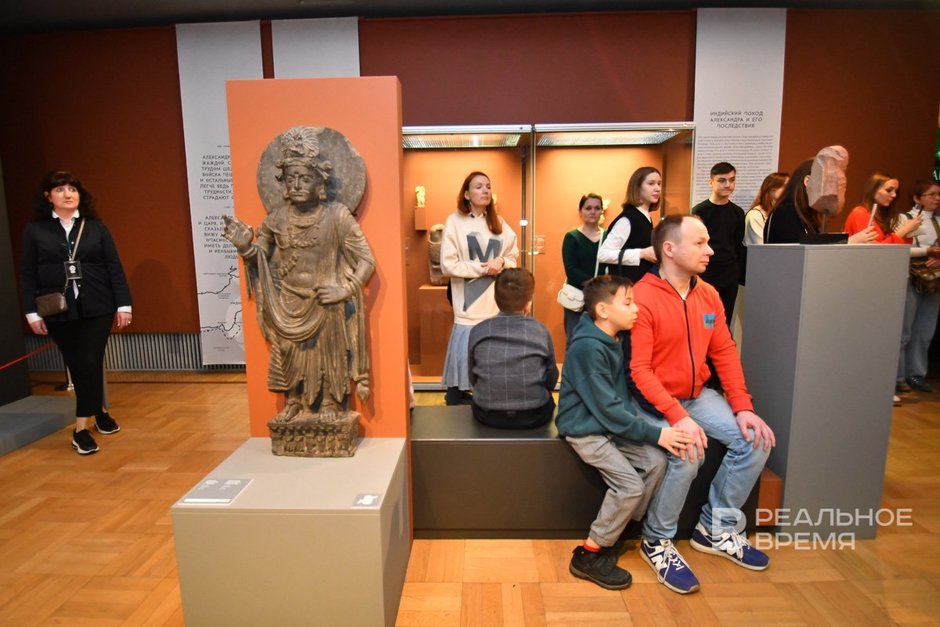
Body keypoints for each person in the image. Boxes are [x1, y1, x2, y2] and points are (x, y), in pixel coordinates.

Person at [630, 214, 776, 595]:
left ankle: (715, 528)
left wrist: (742, 406)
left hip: (697, 396)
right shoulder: (642, 296)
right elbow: (640, 371)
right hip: (655, 401)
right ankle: (656, 540)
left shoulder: (708, 295)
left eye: (708, 242)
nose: (710, 250)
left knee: (755, 440)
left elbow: (724, 351)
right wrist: (677, 417)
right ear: (669, 249)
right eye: (700, 243)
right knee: (689, 450)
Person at [223, 127, 375, 423]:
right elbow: (260, 257)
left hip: (326, 303)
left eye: (305, 178)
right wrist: (245, 248)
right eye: (291, 178)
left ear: (320, 182)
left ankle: (331, 400)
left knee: (328, 352)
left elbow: (367, 260)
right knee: (288, 351)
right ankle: (293, 400)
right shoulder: (277, 218)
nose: (296, 185)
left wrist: (346, 289)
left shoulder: (338, 216)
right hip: (288, 303)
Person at [556, 274, 691, 591]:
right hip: (585, 429)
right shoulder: (588, 347)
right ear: (603, 310)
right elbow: (607, 408)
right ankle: (589, 553)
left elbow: (617, 404)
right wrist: (657, 434)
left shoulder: (612, 339)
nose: (636, 309)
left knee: (656, 462)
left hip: (606, 425)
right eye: (628, 303)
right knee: (630, 487)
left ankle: (617, 530)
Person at [20, 171, 132, 455]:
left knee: (89, 360)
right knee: (78, 363)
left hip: (98, 306)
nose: (68, 194)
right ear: (48, 196)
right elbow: (28, 273)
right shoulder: (36, 230)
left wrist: (124, 304)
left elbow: (114, 267)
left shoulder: (95, 227)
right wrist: (31, 313)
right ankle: (101, 413)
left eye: (72, 189)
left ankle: (80, 429)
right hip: (58, 308)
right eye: (60, 190)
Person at [440, 171, 519, 406]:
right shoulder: (454, 221)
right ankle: (457, 403)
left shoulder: (499, 223)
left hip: (494, 305)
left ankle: (489, 403)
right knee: (462, 363)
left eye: (488, 186)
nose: (485, 190)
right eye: (478, 186)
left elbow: (513, 256)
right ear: (466, 194)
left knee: (491, 360)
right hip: (467, 305)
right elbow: (447, 264)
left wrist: (501, 261)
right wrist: (483, 269)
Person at [467, 268, 558, 428]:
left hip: (487, 412)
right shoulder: (540, 331)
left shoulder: (478, 331)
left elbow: (472, 378)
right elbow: (551, 379)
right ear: (528, 303)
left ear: (496, 299)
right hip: (534, 414)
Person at [895, 179, 940, 395]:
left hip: (934, 281)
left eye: (938, 194)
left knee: (925, 330)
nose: (937, 198)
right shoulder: (904, 219)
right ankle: (898, 376)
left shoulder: (938, 221)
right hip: (911, 279)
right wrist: (927, 252)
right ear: (916, 198)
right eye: (931, 194)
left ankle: (916, 373)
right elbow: (899, 248)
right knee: (904, 330)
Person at [764, 159, 877, 244]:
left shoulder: (805, 215)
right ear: (807, 181)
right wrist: (849, 241)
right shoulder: (785, 212)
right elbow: (798, 251)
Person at [691, 162, 746, 323]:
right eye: (722, 180)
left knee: (725, 319)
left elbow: (737, 244)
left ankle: (721, 340)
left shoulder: (737, 212)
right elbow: (695, 243)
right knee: (707, 319)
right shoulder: (700, 211)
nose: (728, 184)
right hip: (707, 273)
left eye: (732, 180)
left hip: (730, 274)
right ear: (711, 182)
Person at [598, 167, 661, 283]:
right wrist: (642, 253)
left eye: (659, 184)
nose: (657, 188)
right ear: (637, 188)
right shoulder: (627, 219)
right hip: (624, 288)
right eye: (651, 183)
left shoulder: (645, 217)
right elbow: (603, 254)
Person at [561, 193, 605, 344]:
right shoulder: (572, 237)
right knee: (575, 340)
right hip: (578, 299)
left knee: (600, 340)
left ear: (601, 211)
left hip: (602, 298)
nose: (593, 212)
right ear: (580, 211)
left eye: (597, 208)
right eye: (588, 208)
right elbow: (571, 269)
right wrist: (595, 284)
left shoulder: (608, 236)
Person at [844, 173, 922, 244]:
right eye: (889, 190)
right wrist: (904, 230)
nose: (894, 195)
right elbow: (874, 251)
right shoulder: (860, 213)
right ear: (873, 190)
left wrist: (908, 233)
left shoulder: (884, 214)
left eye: (896, 191)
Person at [744, 172, 789, 246]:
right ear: (771, 188)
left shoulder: (783, 213)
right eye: (785, 186)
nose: (789, 190)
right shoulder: (755, 215)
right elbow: (761, 246)